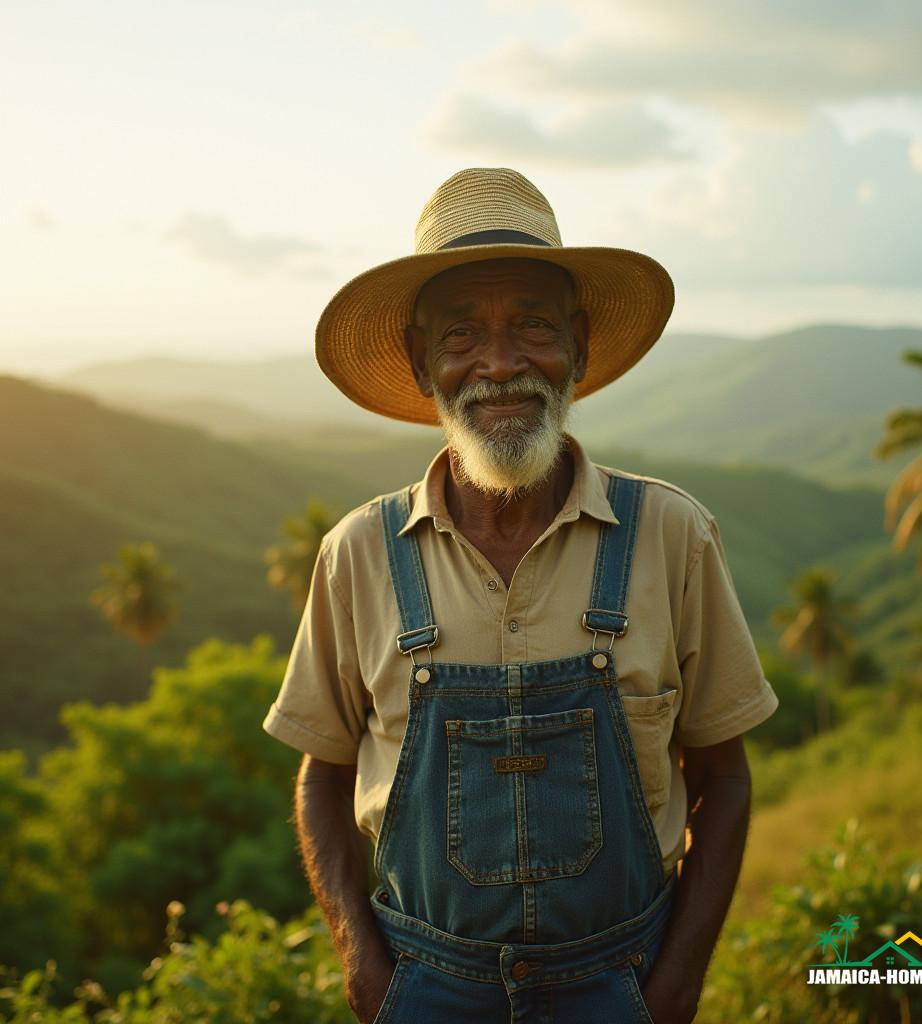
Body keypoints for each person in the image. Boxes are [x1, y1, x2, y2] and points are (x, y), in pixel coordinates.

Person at [263, 167, 779, 1023]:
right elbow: (324, 773)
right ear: (420, 360)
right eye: (461, 333)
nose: (500, 365)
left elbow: (723, 778)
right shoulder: (357, 553)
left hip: (625, 983)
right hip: (422, 989)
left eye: (532, 325)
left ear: (576, 343)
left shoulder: (673, 535)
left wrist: (676, 986)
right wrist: (362, 963)